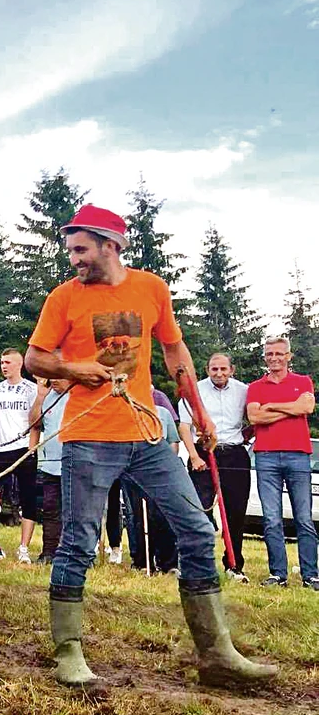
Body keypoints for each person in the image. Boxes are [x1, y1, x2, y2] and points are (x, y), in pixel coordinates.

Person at [25, 203, 276, 688]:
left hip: (147, 436)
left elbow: (174, 351)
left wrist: (198, 413)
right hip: (87, 437)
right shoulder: (63, 298)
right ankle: (69, 653)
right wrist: (76, 370)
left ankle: (217, 654)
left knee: (198, 531)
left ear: (111, 245)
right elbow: (37, 357)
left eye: (81, 249)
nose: (74, 259)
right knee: (77, 542)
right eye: (70, 250)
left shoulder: (152, 288)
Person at [246, 336, 318, 590]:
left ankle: (311, 575)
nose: (274, 358)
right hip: (265, 455)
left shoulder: (303, 381)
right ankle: (278, 574)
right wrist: (291, 407)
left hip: (298, 455)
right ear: (265, 357)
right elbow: (254, 415)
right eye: (269, 354)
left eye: (278, 353)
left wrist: (273, 406)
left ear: (289, 356)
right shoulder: (255, 386)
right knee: (272, 519)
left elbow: (306, 408)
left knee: (304, 518)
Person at [177, 352, 251, 582]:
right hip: (203, 453)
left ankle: (233, 565)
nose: (218, 373)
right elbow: (184, 427)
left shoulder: (244, 391)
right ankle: (197, 564)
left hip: (234, 454)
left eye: (223, 369)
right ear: (207, 370)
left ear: (232, 370)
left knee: (235, 513)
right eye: (214, 369)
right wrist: (194, 456)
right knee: (199, 510)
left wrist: (247, 439)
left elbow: (255, 417)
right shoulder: (194, 391)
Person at [0, 350, 39, 561]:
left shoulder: (31, 389)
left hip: (23, 449)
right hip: (0, 449)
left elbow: (35, 422)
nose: (4, 366)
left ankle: (24, 548)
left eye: (8, 362)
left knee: (28, 497)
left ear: (19, 364)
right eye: (2, 362)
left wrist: (32, 449)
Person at [123, 398, 180, 574]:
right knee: (139, 518)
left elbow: (173, 441)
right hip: (133, 471)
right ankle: (142, 562)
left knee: (164, 517)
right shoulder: (124, 412)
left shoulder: (163, 412)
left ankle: (169, 563)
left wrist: (167, 466)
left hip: (160, 471)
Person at [30, 377, 69, 563]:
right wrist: (40, 396)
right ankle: (48, 552)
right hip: (50, 465)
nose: (53, 380)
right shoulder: (47, 396)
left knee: (74, 513)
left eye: (57, 377)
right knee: (50, 510)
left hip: (75, 465)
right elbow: (34, 423)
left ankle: (75, 554)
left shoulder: (78, 396)